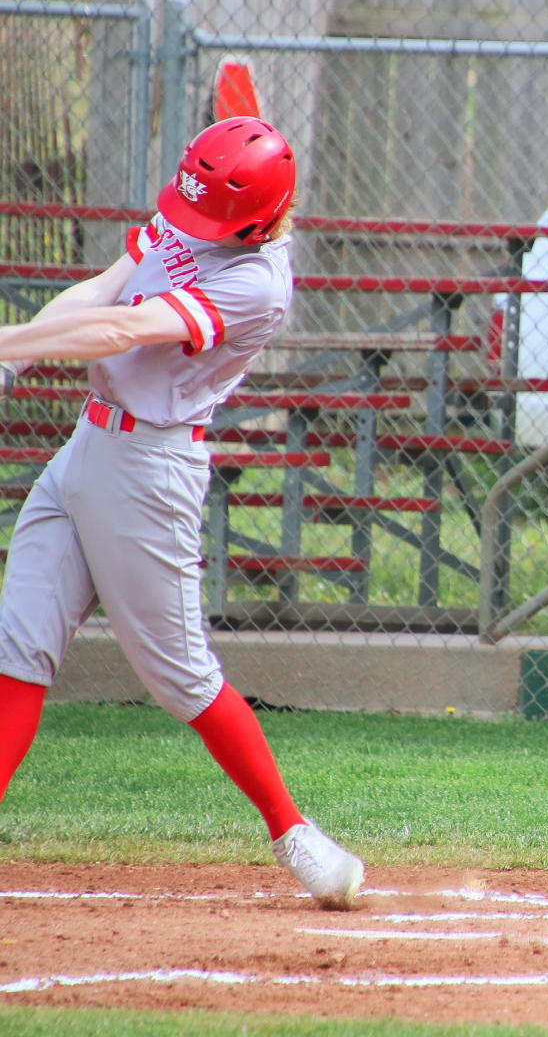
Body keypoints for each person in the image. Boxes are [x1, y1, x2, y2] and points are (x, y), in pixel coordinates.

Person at [0, 118, 364, 909]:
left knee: (181, 677)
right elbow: (102, 290)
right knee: (16, 649)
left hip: (148, 473)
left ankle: (294, 834)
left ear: (260, 219)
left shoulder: (259, 285)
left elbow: (125, 325)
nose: (190, 226)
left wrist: (7, 340)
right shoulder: (197, 207)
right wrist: (15, 352)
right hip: (85, 450)